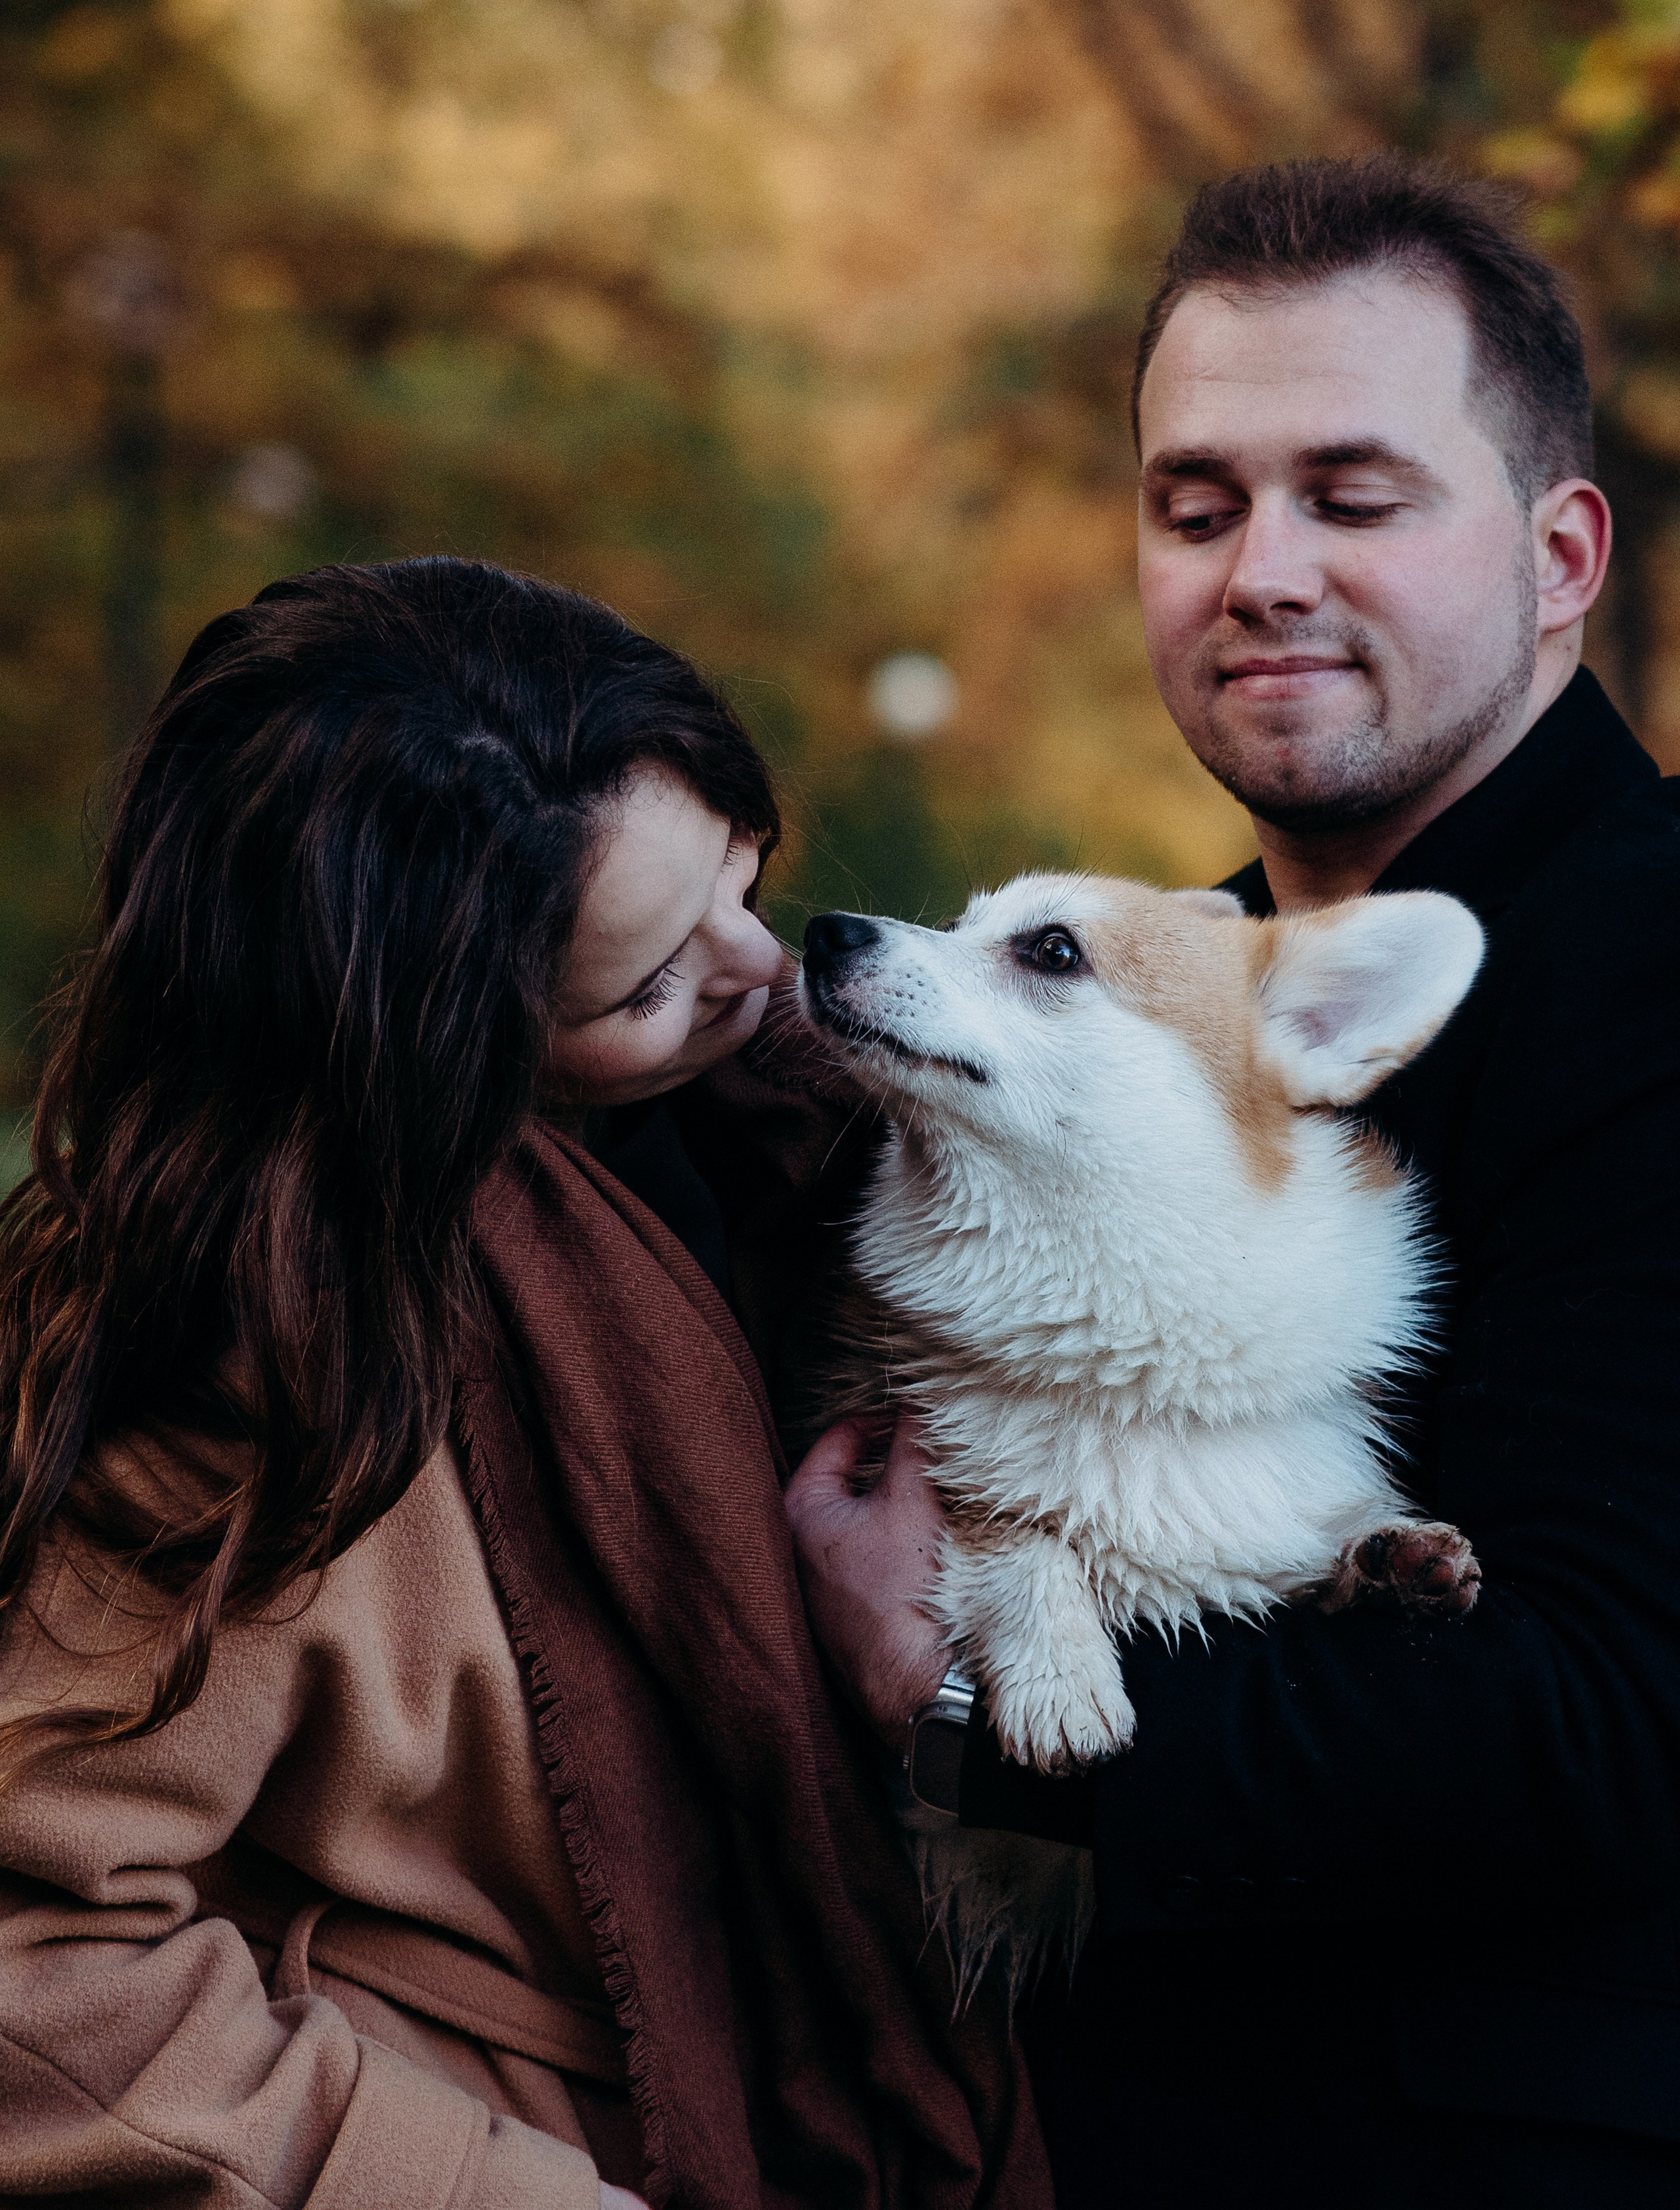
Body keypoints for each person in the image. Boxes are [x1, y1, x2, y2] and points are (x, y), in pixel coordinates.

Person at [786, 156, 1680, 2205]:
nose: (1261, 569)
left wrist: (942, 1693)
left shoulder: (1656, 954)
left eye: (1353, 499)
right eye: (1197, 508)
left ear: (1561, 554)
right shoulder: (1129, 996)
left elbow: (1614, 1724)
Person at [0, 560, 1050, 2210]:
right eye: (640, 988)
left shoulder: (839, 1154)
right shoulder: (259, 1338)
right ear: (433, 1041)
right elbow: (38, 1971)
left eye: (736, 864)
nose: (759, 968)